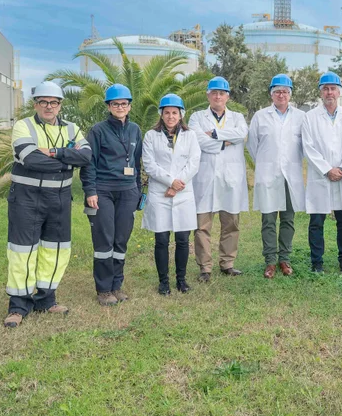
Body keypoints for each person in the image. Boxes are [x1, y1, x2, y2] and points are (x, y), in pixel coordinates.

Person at [3, 81, 92, 328]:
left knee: (56, 250)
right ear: (36, 104)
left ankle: (46, 299)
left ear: (60, 105)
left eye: (54, 102)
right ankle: (18, 305)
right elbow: (30, 160)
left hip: (60, 200)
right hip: (26, 198)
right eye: (43, 102)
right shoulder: (24, 126)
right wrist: (68, 160)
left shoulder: (72, 128)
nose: (49, 106)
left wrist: (53, 153)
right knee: (23, 250)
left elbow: (86, 156)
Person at [81, 84, 143, 306]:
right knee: (104, 239)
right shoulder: (98, 130)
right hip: (103, 191)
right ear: (108, 106)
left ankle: (117, 285)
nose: (120, 107)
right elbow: (89, 163)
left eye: (123, 104)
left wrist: (137, 190)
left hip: (128, 191)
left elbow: (136, 162)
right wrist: (91, 191)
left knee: (121, 240)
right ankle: (104, 289)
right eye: (115, 104)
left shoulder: (135, 129)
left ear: (129, 106)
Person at [189, 76, 249, 282]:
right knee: (202, 226)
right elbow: (198, 141)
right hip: (205, 178)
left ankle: (227, 263)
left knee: (231, 224)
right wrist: (224, 142)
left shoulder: (238, 117)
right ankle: (205, 267)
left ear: (228, 96)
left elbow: (241, 134)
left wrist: (214, 133)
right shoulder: (196, 117)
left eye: (221, 93)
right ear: (208, 95)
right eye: (214, 92)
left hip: (231, 178)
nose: (217, 96)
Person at [247, 73, 306, 279]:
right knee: (269, 220)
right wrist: (265, 163)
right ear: (271, 94)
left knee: (288, 219)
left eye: (285, 91)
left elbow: (304, 146)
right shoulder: (260, 116)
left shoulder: (300, 117)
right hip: (268, 174)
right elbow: (252, 145)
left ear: (290, 94)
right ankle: (270, 260)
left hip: (291, 174)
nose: (281, 95)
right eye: (277, 91)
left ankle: (285, 258)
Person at [142, 94, 201, 294]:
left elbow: (194, 162)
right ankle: (164, 282)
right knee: (162, 240)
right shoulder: (151, 135)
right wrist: (170, 181)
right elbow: (149, 164)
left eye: (174, 113)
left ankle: (181, 280)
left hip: (182, 193)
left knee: (183, 239)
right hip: (161, 193)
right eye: (166, 112)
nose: (170, 116)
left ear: (181, 114)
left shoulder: (190, 135)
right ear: (161, 114)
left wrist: (176, 185)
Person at [301, 71, 342, 273]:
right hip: (320, 177)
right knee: (316, 223)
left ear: (339, 92)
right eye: (325, 89)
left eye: (333, 88)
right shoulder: (309, 117)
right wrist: (327, 169)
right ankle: (317, 262)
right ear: (320, 92)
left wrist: (341, 168)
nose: (329, 92)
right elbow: (308, 147)